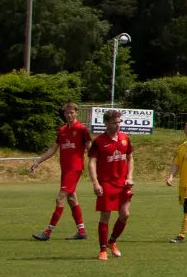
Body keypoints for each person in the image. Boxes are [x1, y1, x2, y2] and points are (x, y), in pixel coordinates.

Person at [29, 101, 92, 241]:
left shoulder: (82, 129)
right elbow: (53, 149)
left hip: (75, 169)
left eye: (72, 112)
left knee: (60, 198)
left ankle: (47, 232)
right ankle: (81, 231)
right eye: (67, 113)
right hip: (65, 169)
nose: (69, 115)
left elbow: (90, 148)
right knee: (71, 198)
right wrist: (38, 161)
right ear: (64, 114)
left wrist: (96, 163)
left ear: (76, 113)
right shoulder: (62, 130)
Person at [89, 109, 134, 261]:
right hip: (106, 183)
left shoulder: (125, 138)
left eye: (119, 122)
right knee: (105, 215)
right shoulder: (99, 141)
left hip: (122, 183)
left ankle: (112, 241)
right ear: (107, 123)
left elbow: (130, 157)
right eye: (114, 122)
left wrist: (129, 177)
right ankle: (102, 250)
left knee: (125, 214)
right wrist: (96, 183)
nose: (118, 125)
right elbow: (92, 162)